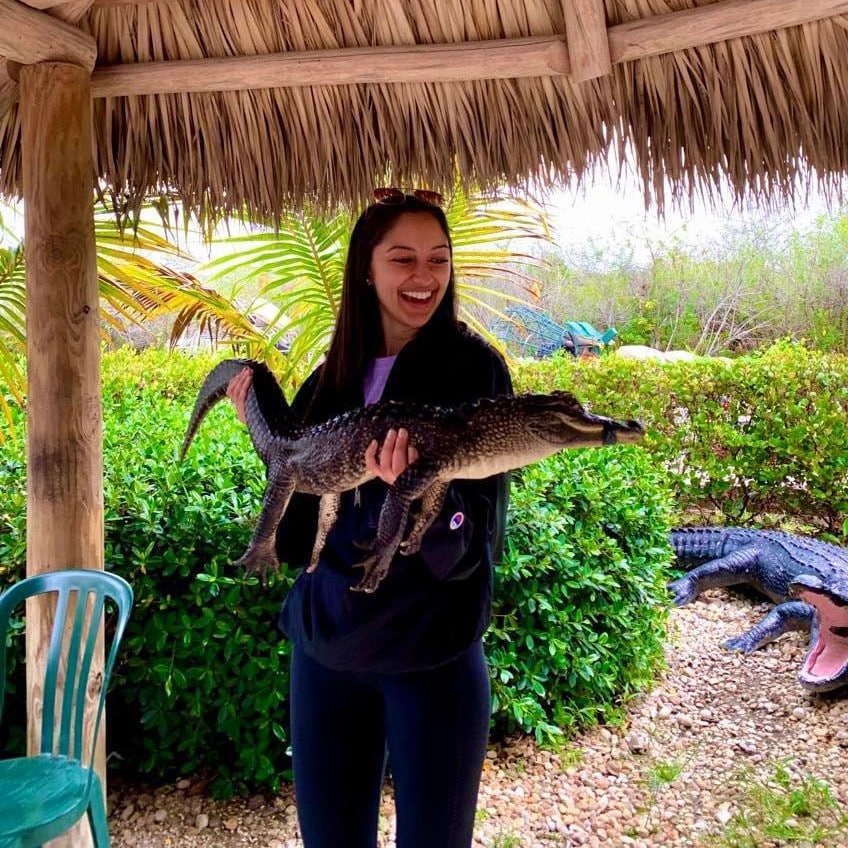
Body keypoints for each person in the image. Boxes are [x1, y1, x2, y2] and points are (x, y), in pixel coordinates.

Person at [226, 188, 512, 848]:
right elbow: (301, 542)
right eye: (403, 259)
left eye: (438, 260)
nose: (424, 277)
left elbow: (474, 543)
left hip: (431, 658)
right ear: (367, 268)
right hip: (326, 653)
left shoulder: (476, 370)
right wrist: (265, 439)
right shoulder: (329, 380)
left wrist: (421, 493)